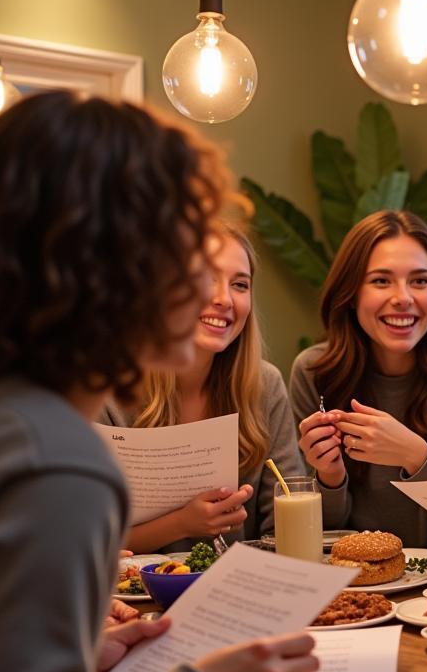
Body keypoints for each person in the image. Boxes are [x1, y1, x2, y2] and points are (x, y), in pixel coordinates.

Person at [0, 91, 318, 672]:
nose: (210, 288)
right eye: (183, 248)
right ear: (111, 261)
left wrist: (65, 661)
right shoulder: (59, 463)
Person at [290, 210, 427, 548]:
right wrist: (329, 477)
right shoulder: (314, 372)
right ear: (351, 293)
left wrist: (416, 457)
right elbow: (318, 538)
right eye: (381, 281)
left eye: (419, 281)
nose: (403, 298)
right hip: (348, 586)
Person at [101, 224, 302, 554]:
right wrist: (181, 523)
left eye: (240, 285)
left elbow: (285, 526)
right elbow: (88, 541)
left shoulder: (264, 385)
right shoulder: (110, 391)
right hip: (136, 598)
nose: (223, 299)